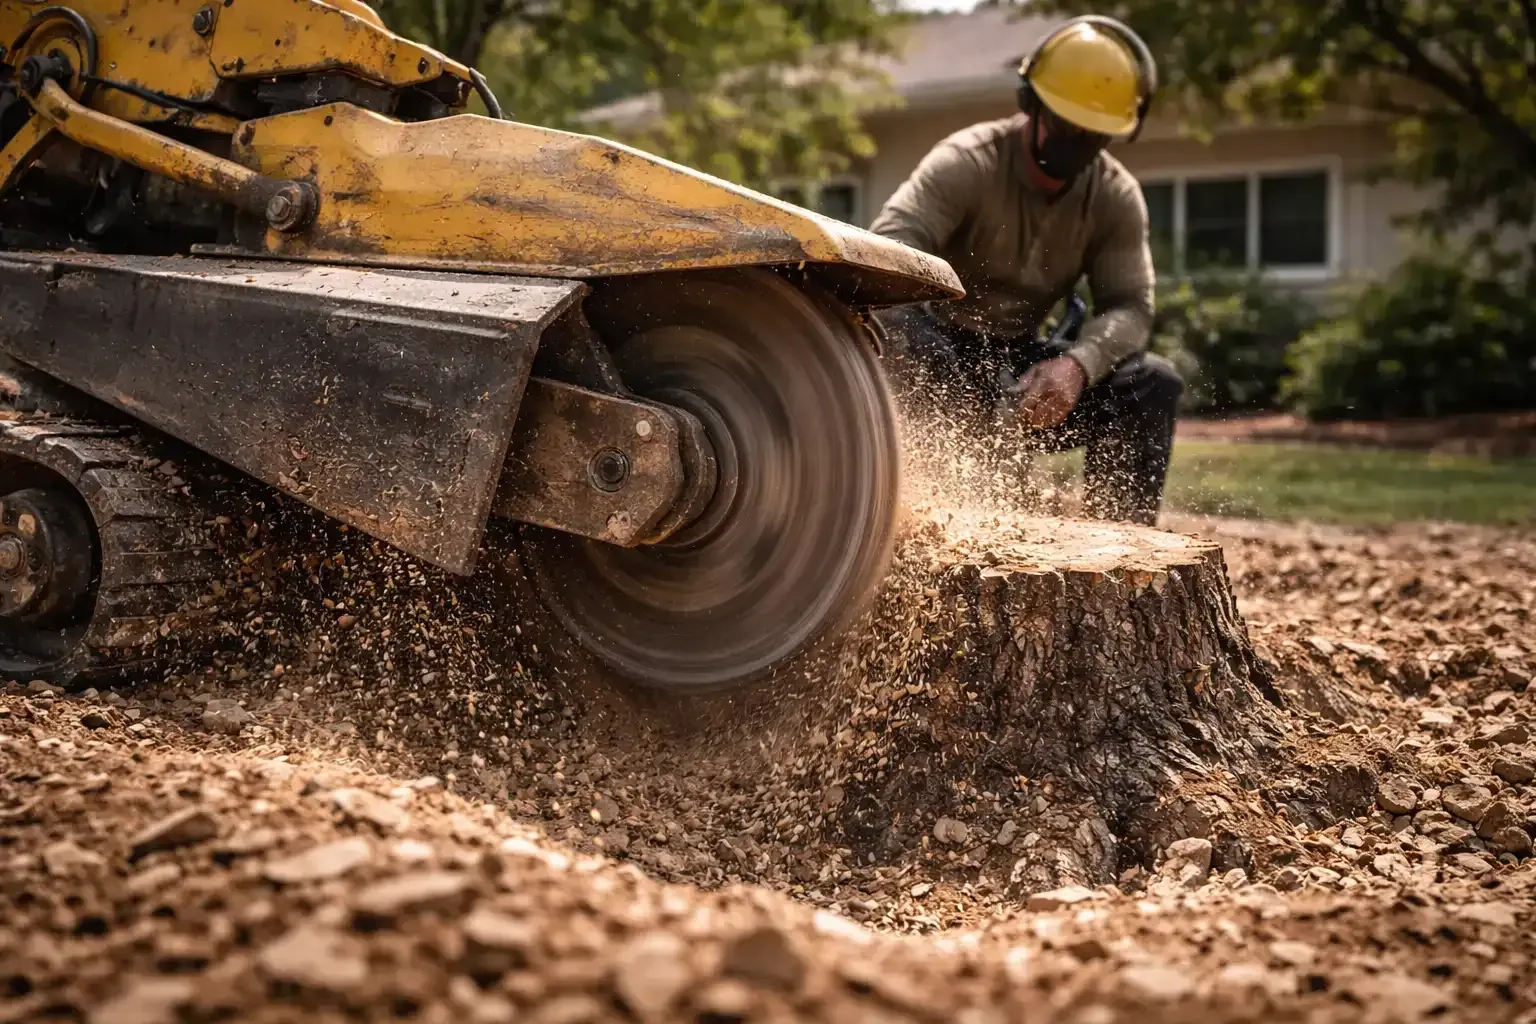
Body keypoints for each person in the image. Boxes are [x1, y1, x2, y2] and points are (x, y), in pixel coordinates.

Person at [870, 15, 1183, 526]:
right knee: (906, 337)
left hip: (1025, 367)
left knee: (1152, 383)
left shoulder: (1114, 196)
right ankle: (917, 526)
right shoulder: (966, 163)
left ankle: (1121, 556)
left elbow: (1131, 307)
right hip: (937, 346)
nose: (1078, 141)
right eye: (1066, 125)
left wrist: (1077, 366)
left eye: (1095, 134)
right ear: (1030, 102)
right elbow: (888, 246)